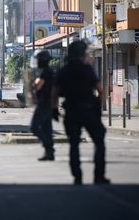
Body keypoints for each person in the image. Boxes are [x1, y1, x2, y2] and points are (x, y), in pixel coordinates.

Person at [51, 41, 110, 185]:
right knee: (99, 142)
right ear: (82, 54)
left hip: (71, 111)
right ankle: (99, 176)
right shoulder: (87, 69)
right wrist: (98, 108)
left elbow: (55, 93)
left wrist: (54, 110)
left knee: (74, 144)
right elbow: (100, 91)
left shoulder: (63, 71)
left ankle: (77, 176)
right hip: (89, 109)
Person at [30, 50, 55, 161]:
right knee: (47, 129)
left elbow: (37, 87)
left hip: (43, 104)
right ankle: (49, 153)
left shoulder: (45, 73)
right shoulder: (51, 72)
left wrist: (32, 83)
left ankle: (48, 145)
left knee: (34, 127)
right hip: (49, 104)